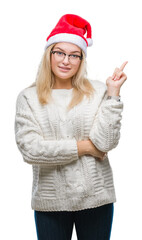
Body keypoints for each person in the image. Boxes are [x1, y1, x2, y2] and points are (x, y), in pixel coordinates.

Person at [15, 14, 127, 240]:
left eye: (74, 55)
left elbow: (105, 143)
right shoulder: (29, 97)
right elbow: (31, 149)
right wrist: (84, 147)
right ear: (49, 55)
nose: (66, 61)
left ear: (81, 60)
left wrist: (113, 94)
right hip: (50, 203)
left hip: (96, 199)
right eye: (60, 53)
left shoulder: (98, 91)